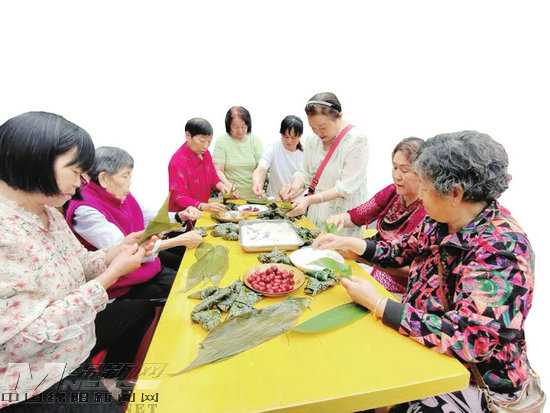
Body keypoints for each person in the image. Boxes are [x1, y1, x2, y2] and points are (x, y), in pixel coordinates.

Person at [313, 131, 544, 411]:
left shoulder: (502, 250)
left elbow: (471, 340)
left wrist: (380, 304)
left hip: (475, 378)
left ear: (455, 193)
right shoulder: (440, 221)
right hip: (424, 344)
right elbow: (400, 251)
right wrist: (353, 245)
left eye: (424, 187)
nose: (420, 195)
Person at [0, 112, 157, 411]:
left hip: (75, 351)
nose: (81, 181)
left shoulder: (48, 212)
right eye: (75, 170)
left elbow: (81, 264)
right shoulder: (6, 232)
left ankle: (111, 380)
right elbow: (23, 340)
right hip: (36, 383)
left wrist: (116, 252)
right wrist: (110, 277)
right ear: (35, 160)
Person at [66, 146, 203, 300]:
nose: (129, 183)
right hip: (123, 284)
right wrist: (178, 240)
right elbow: (122, 248)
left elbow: (148, 216)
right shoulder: (85, 210)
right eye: (125, 176)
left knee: (191, 279)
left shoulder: (118, 193)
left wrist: (179, 216)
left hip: (147, 266)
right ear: (104, 179)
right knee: (186, 291)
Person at [326, 137, 426, 294]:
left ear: (423, 173)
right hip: (373, 263)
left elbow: (414, 270)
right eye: (394, 167)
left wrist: (360, 256)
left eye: (404, 170)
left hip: (401, 286)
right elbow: (359, 215)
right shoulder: (392, 192)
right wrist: (340, 219)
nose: (397, 175)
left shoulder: (429, 213)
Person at [280, 92, 369, 237]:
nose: (318, 132)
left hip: (342, 217)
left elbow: (345, 188)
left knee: (337, 250)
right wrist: (294, 187)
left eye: (322, 127)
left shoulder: (356, 141)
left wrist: (309, 200)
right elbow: (305, 172)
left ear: (339, 116)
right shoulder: (313, 141)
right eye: (313, 127)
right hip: (316, 213)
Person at [168, 117, 230, 214]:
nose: (206, 146)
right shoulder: (177, 162)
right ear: (188, 136)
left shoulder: (206, 154)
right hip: (184, 216)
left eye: (209, 142)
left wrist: (220, 185)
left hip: (201, 212)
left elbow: (213, 176)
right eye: (202, 141)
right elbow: (179, 196)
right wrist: (203, 206)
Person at [212, 106, 263, 200]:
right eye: (236, 127)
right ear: (228, 126)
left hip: (254, 197)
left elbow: (260, 169)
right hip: (230, 197)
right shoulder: (221, 142)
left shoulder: (255, 141)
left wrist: (258, 184)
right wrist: (229, 186)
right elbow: (218, 170)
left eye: (244, 127)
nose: (240, 131)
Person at [252, 115, 304, 200]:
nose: (289, 141)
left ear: (300, 136)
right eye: (285, 136)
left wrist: (293, 194)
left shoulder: (306, 152)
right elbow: (261, 169)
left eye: (293, 137)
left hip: (299, 201)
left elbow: (308, 180)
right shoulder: (273, 148)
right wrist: (257, 184)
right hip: (275, 200)